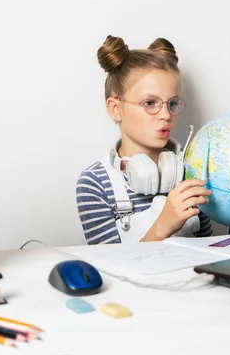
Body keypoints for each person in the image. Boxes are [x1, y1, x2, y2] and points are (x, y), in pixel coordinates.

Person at [76, 35, 213, 244]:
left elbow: (209, 252)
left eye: (172, 103)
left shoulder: (191, 171)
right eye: (149, 102)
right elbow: (110, 267)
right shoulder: (95, 183)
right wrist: (162, 227)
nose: (166, 115)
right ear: (115, 108)